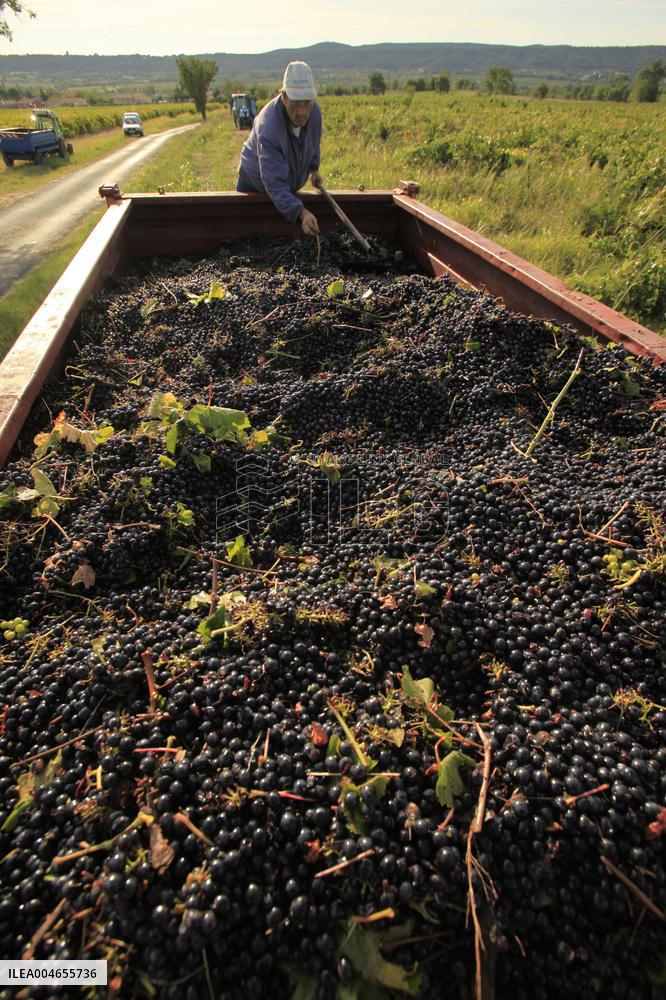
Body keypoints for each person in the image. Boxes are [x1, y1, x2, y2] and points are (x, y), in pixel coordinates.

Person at [236, 62, 322, 237]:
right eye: (296, 103)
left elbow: (313, 142)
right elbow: (274, 183)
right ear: (284, 96)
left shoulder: (314, 114)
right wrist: (302, 213)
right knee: (250, 236)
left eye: (307, 103)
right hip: (254, 183)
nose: (302, 112)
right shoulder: (268, 127)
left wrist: (314, 169)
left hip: (286, 184)